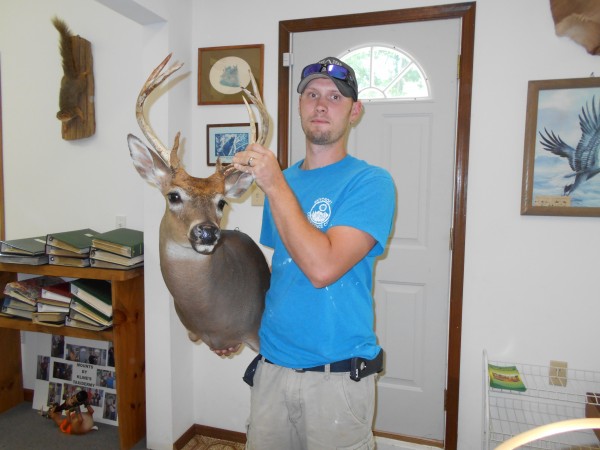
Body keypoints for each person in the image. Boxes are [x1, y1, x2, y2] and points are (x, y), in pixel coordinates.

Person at [230, 56, 396, 449]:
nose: (321, 104)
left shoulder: (372, 183)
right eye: (312, 94)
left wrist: (274, 185)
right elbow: (283, 275)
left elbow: (321, 268)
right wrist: (230, 325)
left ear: (354, 112)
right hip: (271, 370)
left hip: (336, 378)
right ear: (301, 105)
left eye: (336, 97)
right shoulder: (283, 183)